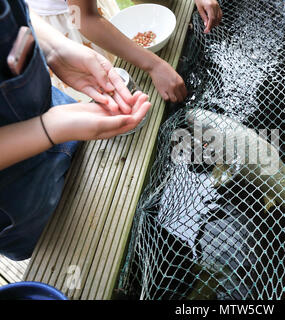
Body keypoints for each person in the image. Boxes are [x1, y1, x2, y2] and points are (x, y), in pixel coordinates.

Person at [0, 0, 151, 260]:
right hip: (22, 204)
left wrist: (56, 49)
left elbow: (20, 11)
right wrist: (51, 128)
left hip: (52, 114)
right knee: (68, 251)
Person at [25, 0, 223, 103]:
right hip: (67, 30)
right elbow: (83, 18)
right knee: (105, 92)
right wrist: (154, 65)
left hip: (85, 9)